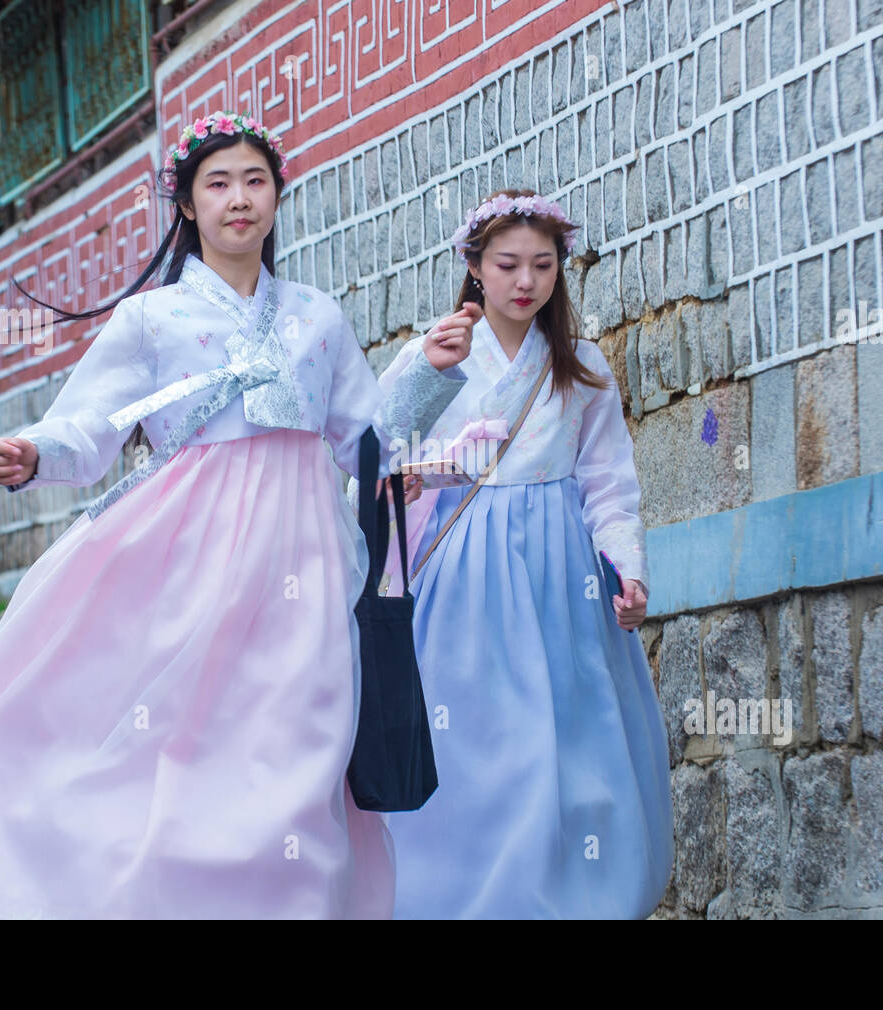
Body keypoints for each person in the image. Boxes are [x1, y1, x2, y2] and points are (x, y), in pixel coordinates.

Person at [0, 111, 472, 919]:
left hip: (304, 568)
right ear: (186, 205)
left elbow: (362, 437)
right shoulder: (150, 320)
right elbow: (93, 423)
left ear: (278, 197)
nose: (239, 199)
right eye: (217, 184)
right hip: (187, 559)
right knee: (177, 748)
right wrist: (38, 454)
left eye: (255, 181)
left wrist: (427, 375)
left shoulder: (316, 318)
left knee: (295, 754)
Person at [352, 189, 674, 919]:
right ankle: (455, 898)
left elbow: (607, 480)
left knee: (567, 746)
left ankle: (574, 900)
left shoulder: (580, 365)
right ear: (474, 268)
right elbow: (376, 458)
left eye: (542, 265)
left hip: (562, 578)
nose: (525, 282)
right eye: (506, 265)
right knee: (473, 744)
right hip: (462, 573)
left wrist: (626, 565)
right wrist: (430, 382)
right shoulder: (431, 354)